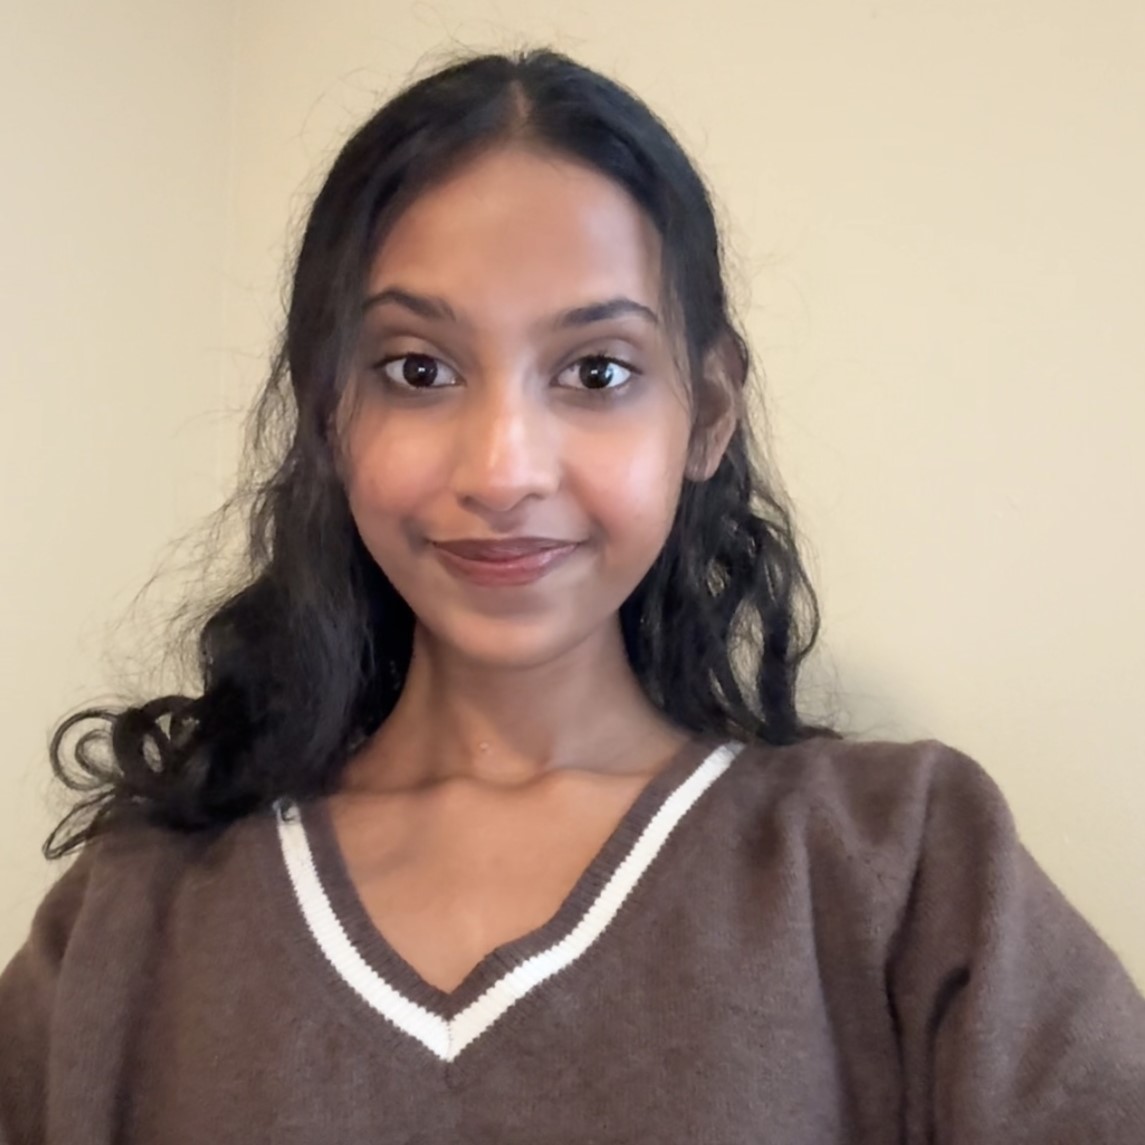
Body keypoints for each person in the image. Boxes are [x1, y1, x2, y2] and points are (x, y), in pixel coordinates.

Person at [1, 47, 1142, 1144]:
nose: (503, 469)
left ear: (705, 412)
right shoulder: (129, 920)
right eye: (416, 368)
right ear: (327, 411)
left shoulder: (903, 869)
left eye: (596, 371)